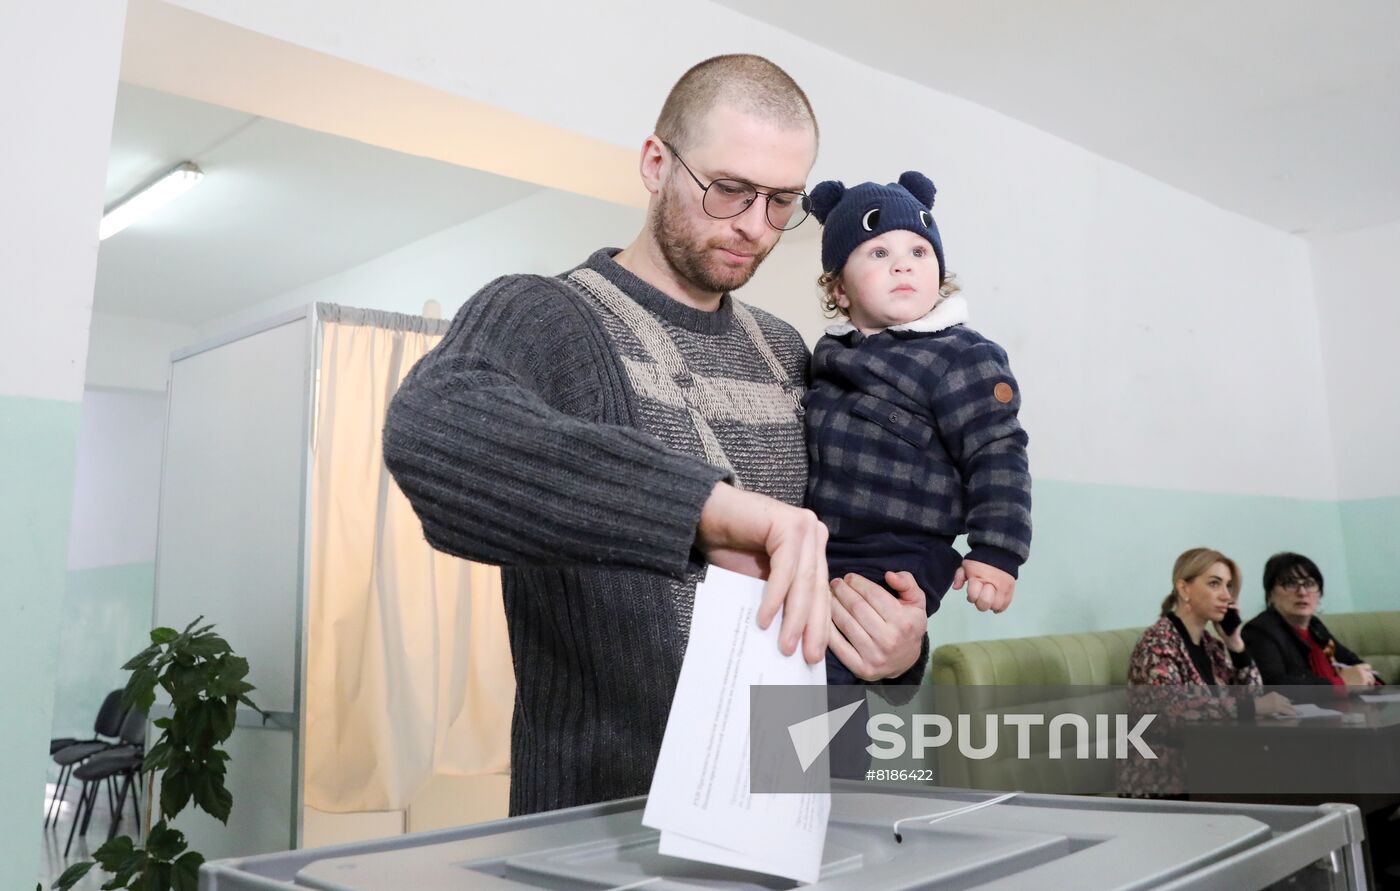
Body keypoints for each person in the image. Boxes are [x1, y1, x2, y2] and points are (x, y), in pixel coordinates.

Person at [382, 54, 930, 816]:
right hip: (608, 824)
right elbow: (431, 432)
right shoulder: (550, 317)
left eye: (781, 201)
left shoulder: (790, 353)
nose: (753, 225)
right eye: (730, 189)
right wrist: (702, 510)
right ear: (654, 162)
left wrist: (898, 651)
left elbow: (831, 571)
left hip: (790, 806)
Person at [802, 172, 1031, 684]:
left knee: (836, 666)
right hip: (822, 548)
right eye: (878, 253)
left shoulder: (961, 355)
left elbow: (997, 450)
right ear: (839, 288)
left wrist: (997, 551)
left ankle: (826, 764)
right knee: (793, 659)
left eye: (919, 252)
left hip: (901, 554)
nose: (902, 263)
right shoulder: (827, 356)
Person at [1120, 548, 1294, 797]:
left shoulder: (1211, 645)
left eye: (1229, 586)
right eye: (1215, 584)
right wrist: (1251, 708)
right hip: (1164, 779)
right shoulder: (1157, 642)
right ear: (1184, 589)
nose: (1226, 596)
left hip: (1212, 765)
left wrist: (1235, 644)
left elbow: (1254, 694)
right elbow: (1175, 711)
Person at [1242, 552, 1381, 689]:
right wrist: (1340, 683)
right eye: (1290, 584)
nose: (1302, 592)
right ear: (1270, 594)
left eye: (1309, 583)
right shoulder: (1259, 630)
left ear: (1319, 593)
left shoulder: (1315, 626)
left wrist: (1368, 678)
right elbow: (1275, 685)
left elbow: (1354, 664)